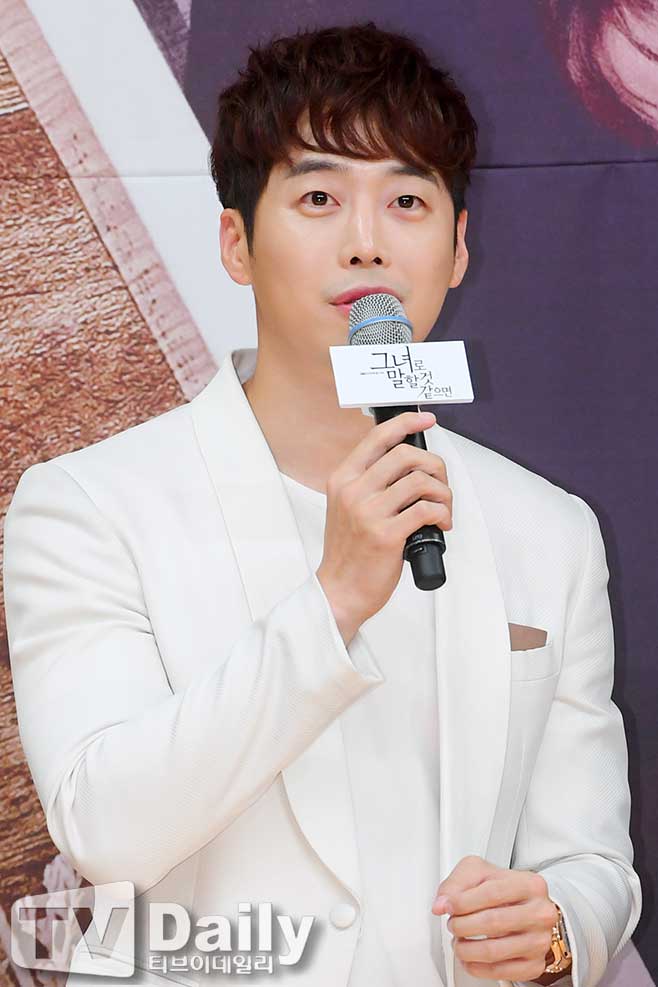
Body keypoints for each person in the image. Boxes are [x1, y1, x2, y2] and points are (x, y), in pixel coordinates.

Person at [3, 21, 641, 987]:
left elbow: (591, 861)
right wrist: (334, 598)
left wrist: (558, 927)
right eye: (317, 198)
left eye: (407, 200)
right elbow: (106, 826)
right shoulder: (90, 506)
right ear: (236, 242)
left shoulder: (549, 531)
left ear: (459, 249)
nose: (366, 243)